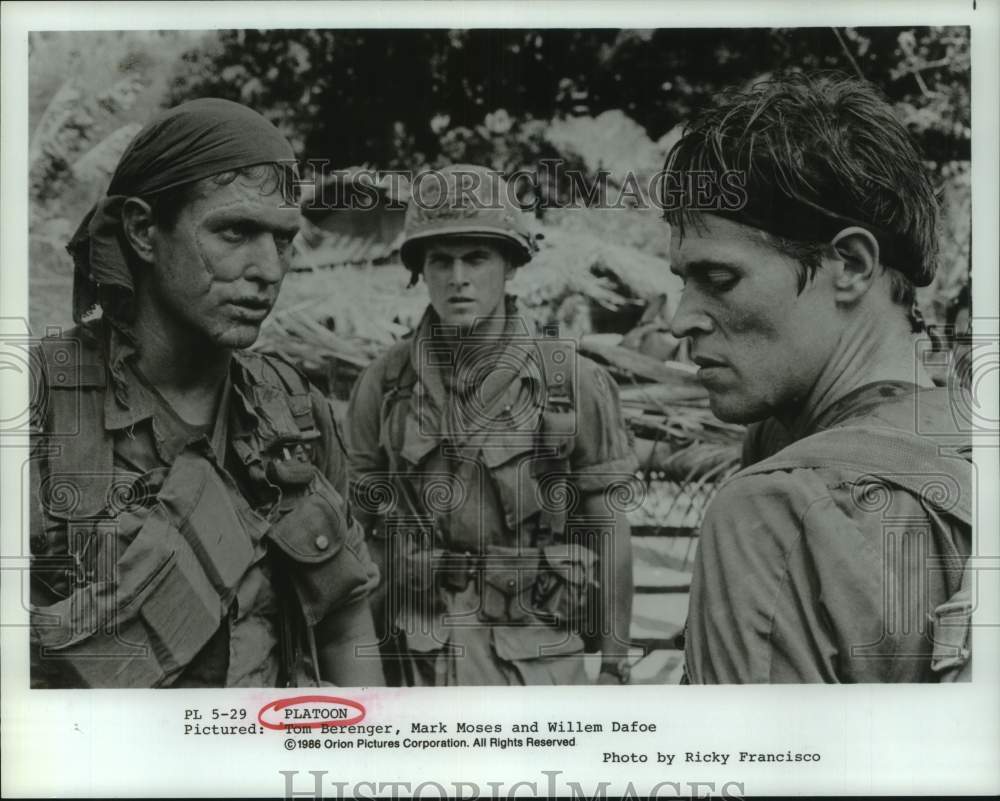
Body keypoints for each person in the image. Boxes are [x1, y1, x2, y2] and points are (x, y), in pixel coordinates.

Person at [29, 98, 384, 689]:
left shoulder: (294, 413)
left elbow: (346, 628)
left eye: (283, 240)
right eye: (236, 231)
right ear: (144, 230)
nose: (268, 268)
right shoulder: (37, 407)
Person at [663, 73, 973, 683]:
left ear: (852, 266)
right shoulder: (973, 446)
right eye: (682, 281)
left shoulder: (774, 512)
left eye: (719, 279)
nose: (681, 319)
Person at [344, 164, 637, 686]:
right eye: (441, 260)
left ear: (509, 266)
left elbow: (608, 527)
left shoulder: (572, 382)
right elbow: (357, 533)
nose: (458, 277)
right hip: (416, 663)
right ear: (420, 271)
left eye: (476, 257)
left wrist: (614, 665)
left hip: (535, 667)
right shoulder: (386, 383)